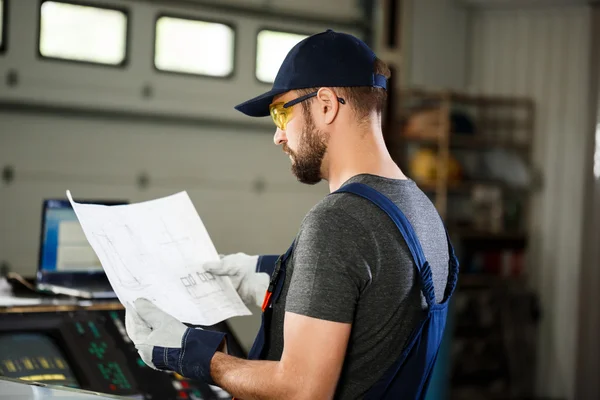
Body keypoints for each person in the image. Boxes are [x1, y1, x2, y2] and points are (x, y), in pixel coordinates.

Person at [125, 29, 458, 399]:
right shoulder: (422, 211)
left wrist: (195, 354)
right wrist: (273, 278)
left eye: (282, 114)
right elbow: (374, 303)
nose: (278, 136)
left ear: (327, 104)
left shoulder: (338, 220)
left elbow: (302, 391)